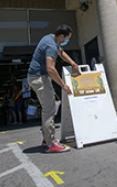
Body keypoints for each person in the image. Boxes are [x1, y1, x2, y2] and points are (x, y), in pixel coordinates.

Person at [27, 24, 81, 153]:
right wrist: (63, 85)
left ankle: (47, 138)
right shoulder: (51, 45)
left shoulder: (50, 38)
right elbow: (50, 68)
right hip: (40, 78)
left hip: (38, 77)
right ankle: (51, 144)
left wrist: (73, 63)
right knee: (49, 109)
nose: (65, 41)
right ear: (61, 36)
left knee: (49, 106)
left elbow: (61, 53)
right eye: (66, 39)